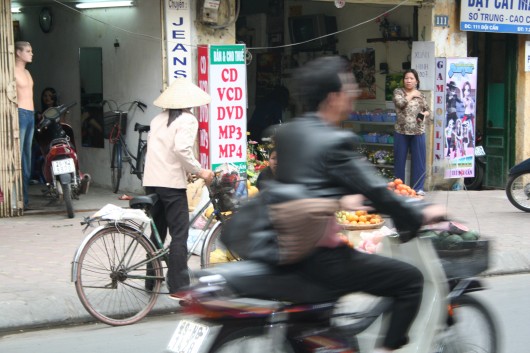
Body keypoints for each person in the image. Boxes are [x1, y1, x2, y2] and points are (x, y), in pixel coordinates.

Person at [273, 56, 446, 353]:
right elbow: (376, 188)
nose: (353, 92)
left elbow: (307, 181)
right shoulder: (334, 140)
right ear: (332, 97)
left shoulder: (288, 133)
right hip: (322, 258)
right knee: (409, 281)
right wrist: (419, 213)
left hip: (286, 250)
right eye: (349, 86)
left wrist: (342, 198)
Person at [142, 78, 214, 297]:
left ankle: (151, 280)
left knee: (157, 231)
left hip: (152, 182)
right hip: (171, 184)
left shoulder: (157, 119)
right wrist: (200, 171)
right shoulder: (188, 119)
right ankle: (179, 287)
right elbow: (182, 150)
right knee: (179, 235)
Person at [392, 69, 431, 196]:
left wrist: (424, 114)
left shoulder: (421, 95)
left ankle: (418, 188)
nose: (408, 80)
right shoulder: (398, 92)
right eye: (406, 78)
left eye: (411, 78)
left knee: (419, 161)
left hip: (418, 131)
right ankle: (399, 188)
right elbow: (401, 104)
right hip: (401, 131)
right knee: (399, 161)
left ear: (416, 81)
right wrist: (412, 95)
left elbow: (428, 110)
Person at [14, 41, 34, 210]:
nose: (31, 53)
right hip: (20, 113)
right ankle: (17, 198)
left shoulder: (27, 72)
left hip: (31, 114)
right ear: (18, 53)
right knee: (18, 156)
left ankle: (25, 199)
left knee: (27, 156)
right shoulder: (11, 71)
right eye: (28, 51)